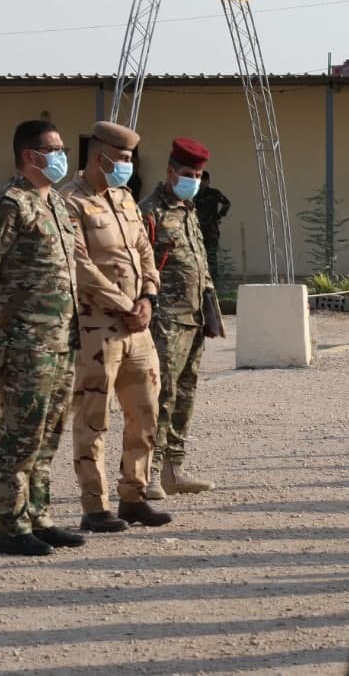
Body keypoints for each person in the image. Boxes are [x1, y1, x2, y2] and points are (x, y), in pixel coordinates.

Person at [0, 119, 85, 556]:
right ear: (30, 156)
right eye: (55, 150)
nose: (62, 156)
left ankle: (39, 515)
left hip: (62, 337)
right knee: (21, 435)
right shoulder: (11, 204)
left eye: (62, 148)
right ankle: (12, 527)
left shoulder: (56, 204)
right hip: (25, 341)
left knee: (48, 432)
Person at [61, 121, 170, 532]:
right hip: (97, 328)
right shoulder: (70, 202)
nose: (128, 166)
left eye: (130, 159)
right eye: (122, 158)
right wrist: (125, 304)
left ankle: (134, 497)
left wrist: (148, 298)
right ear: (99, 156)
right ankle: (94, 507)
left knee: (145, 413)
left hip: (137, 327)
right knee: (94, 418)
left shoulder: (125, 199)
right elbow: (79, 265)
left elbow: (144, 251)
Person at [141, 137, 220, 497]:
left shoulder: (189, 210)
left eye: (199, 176)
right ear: (171, 172)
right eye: (188, 174)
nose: (194, 181)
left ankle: (174, 469)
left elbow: (198, 261)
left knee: (185, 394)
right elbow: (139, 265)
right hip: (164, 319)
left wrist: (210, 306)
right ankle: (149, 472)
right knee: (161, 396)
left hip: (194, 316)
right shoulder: (150, 210)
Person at [195, 170, 231, 285]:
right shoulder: (193, 194)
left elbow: (226, 203)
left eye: (204, 181)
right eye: (200, 180)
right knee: (197, 256)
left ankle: (214, 283)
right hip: (197, 230)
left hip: (211, 230)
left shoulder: (214, 193)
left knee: (211, 257)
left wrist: (219, 216)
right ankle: (200, 282)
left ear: (208, 181)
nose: (202, 183)